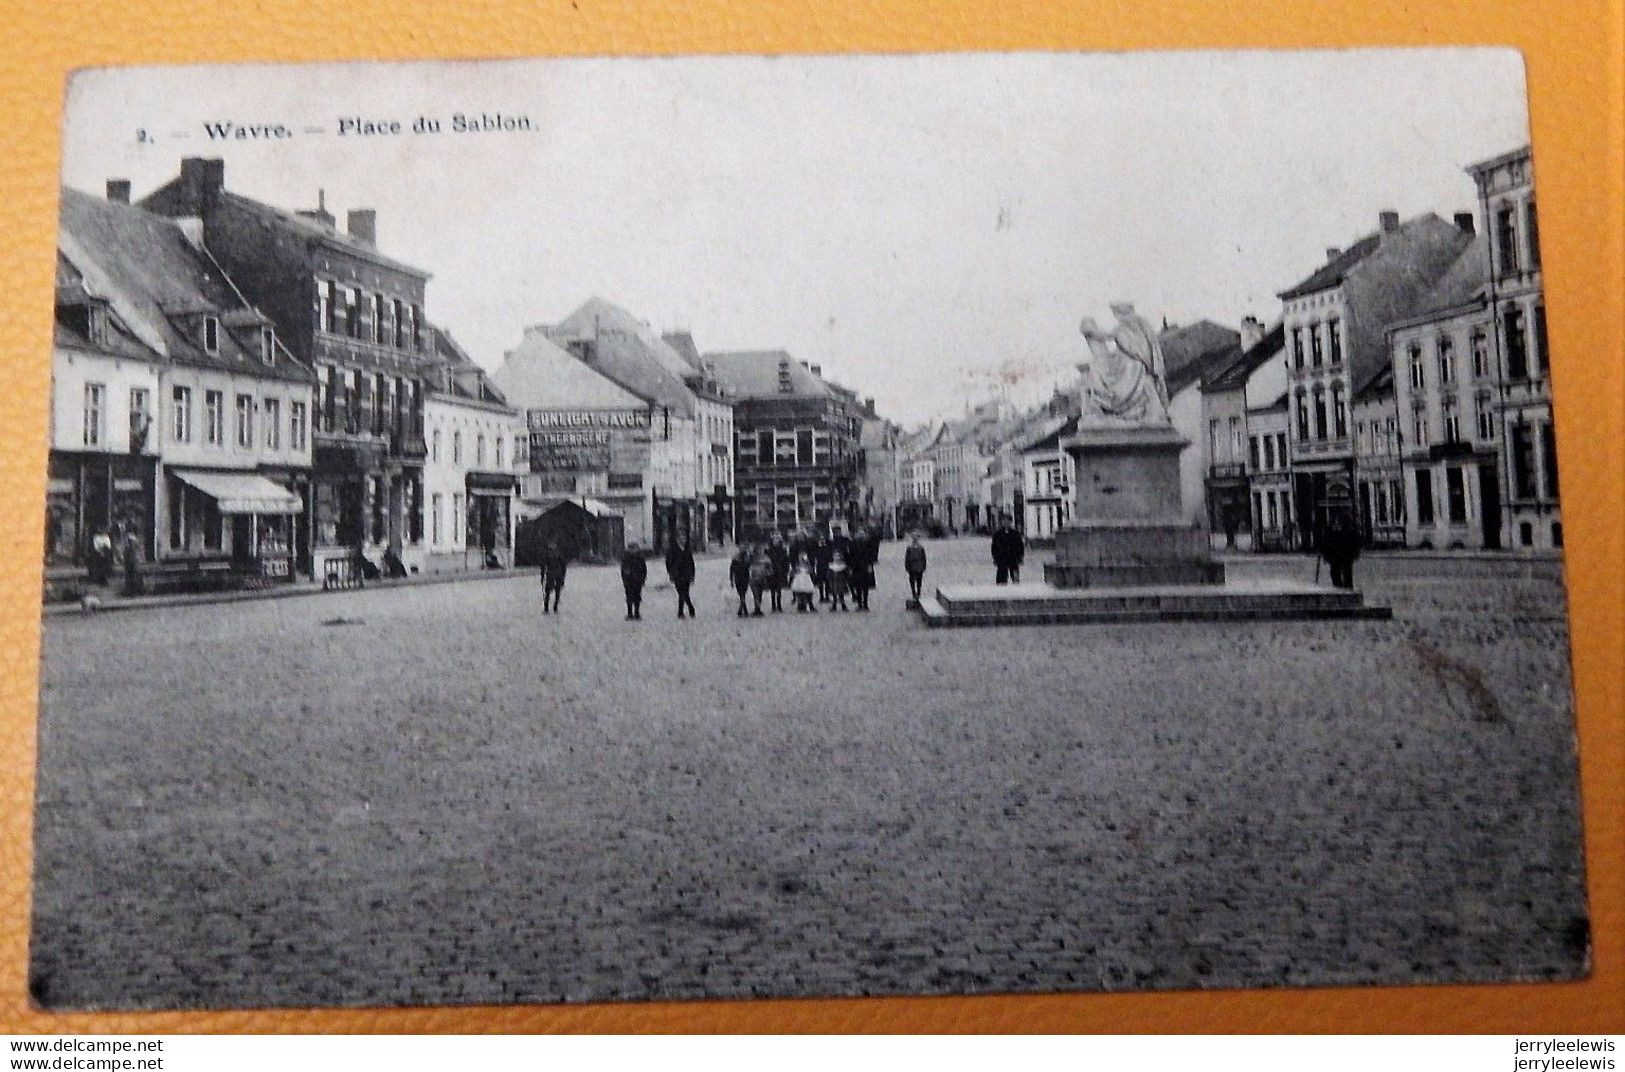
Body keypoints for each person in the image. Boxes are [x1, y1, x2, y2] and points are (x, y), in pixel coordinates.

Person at [1319, 508, 1362, 590]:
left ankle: (1342, 589)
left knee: (1339, 574)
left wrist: (1326, 554)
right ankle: (1345, 589)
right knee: (1344, 574)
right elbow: (1357, 543)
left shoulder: (1339, 532)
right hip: (1343, 557)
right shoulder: (1349, 531)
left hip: (1340, 557)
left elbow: (1327, 543)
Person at [665, 538, 697, 618]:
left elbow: (691, 563)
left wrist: (692, 575)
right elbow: (668, 563)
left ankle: (681, 612)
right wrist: (670, 573)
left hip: (686, 575)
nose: (682, 541)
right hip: (677, 575)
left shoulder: (687, 550)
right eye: (680, 539)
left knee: (684, 593)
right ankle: (690, 607)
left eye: (683, 539)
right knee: (682, 593)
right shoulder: (672, 550)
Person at [991, 517, 1025, 584]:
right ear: (1002, 522)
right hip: (1002, 559)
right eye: (1004, 521)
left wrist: (1020, 558)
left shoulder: (1015, 534)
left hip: (1013, 558)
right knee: (1001, 578)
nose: (1006, 523)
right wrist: (995, 558)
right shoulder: (997, 534)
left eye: (1008, 522)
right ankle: (1001, 590)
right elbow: (994, 547)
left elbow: (1020, 546)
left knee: (1015, 578)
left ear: (1010, 523)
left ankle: (1016, 589)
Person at [620, 541, 647, 620]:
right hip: (630, 580)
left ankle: (635, 613)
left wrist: (643, 578)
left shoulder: (639, 558)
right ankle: (631, 613)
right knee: (630, 597)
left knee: (636, 597)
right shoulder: (627, 558)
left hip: (636, 580)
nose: (633, 550)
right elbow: (623, 570)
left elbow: (644, 569)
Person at [539, 540, 567, 613]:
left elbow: (543, 566)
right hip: (559, 574)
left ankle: (546, 608)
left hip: (550, 574)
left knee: (547, 591)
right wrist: (563, 577)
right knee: (558, 591)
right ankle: (555, 607)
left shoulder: (547, 553)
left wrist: (542, 577)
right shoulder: (559, 553)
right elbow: (564, 565)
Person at [765, 533, 790, 612]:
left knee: (779, 589)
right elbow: (765, 561)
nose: (776, 541)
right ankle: (773, 606)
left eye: (778, 540)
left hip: (780, 571)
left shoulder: (783, 550)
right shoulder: (768, 551)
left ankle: (779, 605)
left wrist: (786, 571)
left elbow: (786, 561)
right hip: (771, 571)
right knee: (772, 589)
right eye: (775, 540)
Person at [729, 543, 753, 617]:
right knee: (742, 594)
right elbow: (731, 570)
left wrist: (731, 579)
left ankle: (742, 609)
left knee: (741, 594)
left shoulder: (737, 559)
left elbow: (731, 570)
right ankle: (743, 609)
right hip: (742, 578)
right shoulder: (744, 559)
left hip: (741, 578)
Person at [748, 544, 772, 616]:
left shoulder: (766, 558)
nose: (761, 551)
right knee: (756, 593)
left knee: (759, 593)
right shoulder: (752, 558)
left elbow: (769, 568)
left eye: (761, 550)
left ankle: (758, 608)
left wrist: (768, 573)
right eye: (759, 550)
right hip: (753, 578)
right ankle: (757, 608)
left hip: (762, 578)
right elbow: (747, 564)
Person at [903, 532, 928, 603]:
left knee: (919, 580)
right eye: (914, 538)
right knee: (912, 580)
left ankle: (919, 592)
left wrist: (924, 566)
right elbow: (907, 558)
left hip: (919, 566)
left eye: (916, 538)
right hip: (912, 567)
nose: (915, 539)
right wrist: (907, 566)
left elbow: (923, 558)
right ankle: (914, 592)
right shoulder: (909, 548)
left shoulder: (921, 548)